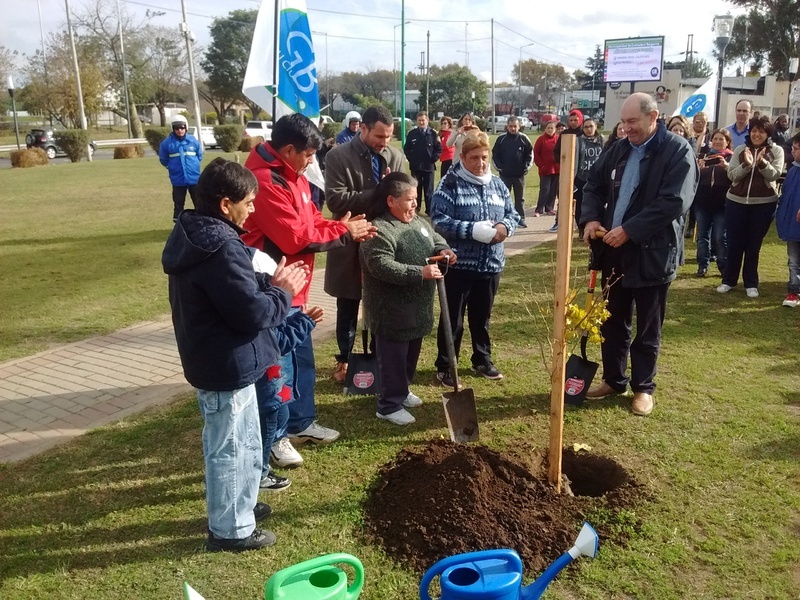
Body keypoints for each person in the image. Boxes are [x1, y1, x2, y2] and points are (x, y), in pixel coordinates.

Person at [162, 157, 307, 552]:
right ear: (226, 204)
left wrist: (265, 281)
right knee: (229, 449)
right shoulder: (218, 246)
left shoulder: (207, 236)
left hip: (229, 361)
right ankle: (230, 530)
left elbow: (237, 288)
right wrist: (282, 290)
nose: (253, 209)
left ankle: (240, 507)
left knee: (244, 442)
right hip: (224, 364)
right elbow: (254, 312)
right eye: (249, 201)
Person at [243, 113, 377, 466]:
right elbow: (293, 237)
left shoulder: (297, 178)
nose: (311, 162)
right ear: (288, 149)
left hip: (297, 289)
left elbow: (311, 221)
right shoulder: (264, 182)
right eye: (307, 155)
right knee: (278, 367)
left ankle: (301, 423)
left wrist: (338, 224)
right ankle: (275, 437)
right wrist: (343, 234)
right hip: (271, 289)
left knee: (301, 360)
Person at [580, 93, 698, 417]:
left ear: (653, 117)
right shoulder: (618, 149)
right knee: (613, 321)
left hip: (653, 255)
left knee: (648, 326)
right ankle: (614, 379)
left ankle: (643, 387)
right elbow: (592, 185)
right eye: (624, 121)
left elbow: (674, 201)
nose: (627, 128)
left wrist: (629, 229)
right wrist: (591, 218)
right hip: (614, 253)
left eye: (633, 122)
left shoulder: (677, 151)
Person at [360, 173, 455, 425]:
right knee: (393, 357)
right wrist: (419, 272)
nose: (415, 204)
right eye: (409, 199)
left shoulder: (417, 222)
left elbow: (435, 239)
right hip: (391, 309)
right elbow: (380, 265)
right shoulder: (379, 229)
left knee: (410, 354)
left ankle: (402, 390)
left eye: (415, 198)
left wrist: (443, 250)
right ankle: (388, 405)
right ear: (391, 201)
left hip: (418, 306)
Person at [324, 105, 405, 384]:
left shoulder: (395, 155)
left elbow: (404, 196)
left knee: (381, 304)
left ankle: (379, 357)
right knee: (348, 305)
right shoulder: (338, 156)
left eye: (389, 137)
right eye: (379, 136)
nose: (384, 143)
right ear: (363, 128)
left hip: (385, 242)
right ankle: (344, 359)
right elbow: (335, 200)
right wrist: (379, 193)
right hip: (349, 244)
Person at [431, 131, 519, 385]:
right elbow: (439, 220)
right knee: (453, 319)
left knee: (482, 317)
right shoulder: (450, 183)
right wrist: (472, 230)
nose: (480, 164)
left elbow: (513, 214)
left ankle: (482, 358)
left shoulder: (497, 183)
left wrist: (504, 227)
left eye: (484, 157)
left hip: (491, 264)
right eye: (474, 158)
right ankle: (447, 364)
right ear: (462, 157)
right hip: (459, 265)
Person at [253, 299, 322, 492]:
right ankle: (259, 475)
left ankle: (261, 471)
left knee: (278, 411)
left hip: (275, 371)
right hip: (268, 372)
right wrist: (304, 322)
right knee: (270, 416)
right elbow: (278, 341)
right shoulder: (260, 299)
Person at [717, 115, 785, 298]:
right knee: (734, 243)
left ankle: (751, 283)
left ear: (768, 133)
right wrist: (747, 165)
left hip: (763, 204)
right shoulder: (740, 149)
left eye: (761, 131)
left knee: (753, 245)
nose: (756, 134)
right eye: (754, 130)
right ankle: (728, 281)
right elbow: (732, 176)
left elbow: (774, 175)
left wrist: (762, 162)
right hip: (736, 202)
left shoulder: (776, 151)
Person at [694, 128, 733, 277]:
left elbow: (736, 177)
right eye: (715, 139)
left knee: (720, 236)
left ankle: (723, 265)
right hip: (702, 201)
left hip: (722, 203)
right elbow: (694, 179)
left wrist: (726, 166)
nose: (717, 142)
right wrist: (699, 168)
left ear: (727, 142)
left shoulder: (731, 158)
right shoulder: (704, 156)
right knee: (702, 235)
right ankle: (703, 264)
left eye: (721, 139)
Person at [159, 114, 203, 222]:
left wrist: (194, 167)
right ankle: (178, 225)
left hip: (194, 179)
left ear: (186, 127)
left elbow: (199, 156)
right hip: (178, 180)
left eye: (182, 127)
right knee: (178, 203)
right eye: (177, 128)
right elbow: (163, 159)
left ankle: (202, 222)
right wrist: (172, 168)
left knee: (199, 202)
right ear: (173, 129)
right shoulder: (167, 144)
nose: (180, 130)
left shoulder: (193, 141)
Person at [492, 116, 533, 227]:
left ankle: (520, 219)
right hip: (505, 175)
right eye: (511, 126)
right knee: (504, 197)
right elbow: (495, 155)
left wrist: (525, 168)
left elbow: (530, 154)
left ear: (519, 126)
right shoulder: (501, 139)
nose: (513, 129)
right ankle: (504, 218)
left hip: (520, 175)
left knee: (520, 198)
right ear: (507, 126)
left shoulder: (524, 139)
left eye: (515, 126)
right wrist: (500, 167)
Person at [775, 132, 800, 307]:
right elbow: (785, 196)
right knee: (793, 259)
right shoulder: (792, 170)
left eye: (797, 149)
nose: (793, 151)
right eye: (793, 148)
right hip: (792, 224)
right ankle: (793, 290)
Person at [549, 110, 585, 232]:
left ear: (580, 120)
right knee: (564, 199)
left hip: (581, 174)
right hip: (566, 172)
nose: (574, 122)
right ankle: (560, 223)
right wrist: (564, 163)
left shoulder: (583, 134)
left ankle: (581, 226)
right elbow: (556, 152)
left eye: (576, 120)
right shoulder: (565, 134)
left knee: (580, 201)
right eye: (571, 120)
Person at [403, 111, 442, 215]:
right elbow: (406, 148)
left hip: (428, 167)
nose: (421, 122)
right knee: (416, 190)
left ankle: (429, 210)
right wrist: (411, 158)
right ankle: (416, 209)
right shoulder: (412, 134)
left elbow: (439, 149)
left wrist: (433, 159)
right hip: (416, 167)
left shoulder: (433, 134)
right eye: (419, 120)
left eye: (423, 120)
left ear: (427, 120)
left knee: (429, 190)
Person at [574, 117, 605, 231]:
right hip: (582, 177)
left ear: (595, 127)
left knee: (598, 203)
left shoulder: (602, 140)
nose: (588, 129)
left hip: (598, 178)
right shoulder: (578, 141)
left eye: (591, 126)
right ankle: (581, 228)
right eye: (586, 127)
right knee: (580, 204)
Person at [533, 119, 560, 217]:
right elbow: (536, 154)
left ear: (555, 129)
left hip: (556, 169)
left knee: (553, 190)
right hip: (545, 169)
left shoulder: (558, 139)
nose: (550, 130)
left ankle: (549, 208)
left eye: (552, 128)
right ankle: (539, 209)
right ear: (545, 129)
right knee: (545, 189)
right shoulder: (541, 139)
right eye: (548, 128)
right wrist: (541, 165)